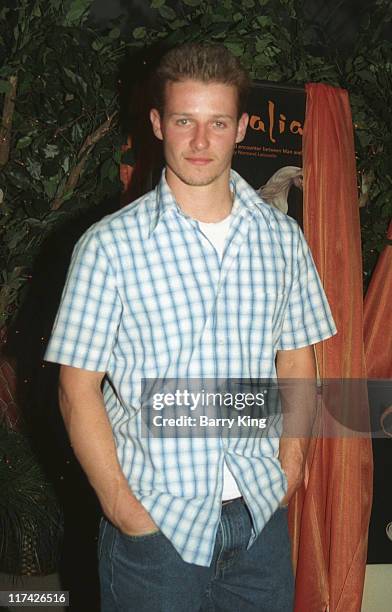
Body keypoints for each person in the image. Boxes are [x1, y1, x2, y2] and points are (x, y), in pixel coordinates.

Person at [45, 43, 336, 612]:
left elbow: (298, 359)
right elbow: (75, 389)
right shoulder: (110, 247)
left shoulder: (281, 240)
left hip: (258, 523)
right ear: (158, 124)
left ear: (241, 127)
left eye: (217, 123)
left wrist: (291, 468)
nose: (200, 142)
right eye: (184, 120)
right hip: (156, 532)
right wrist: (124, 509)